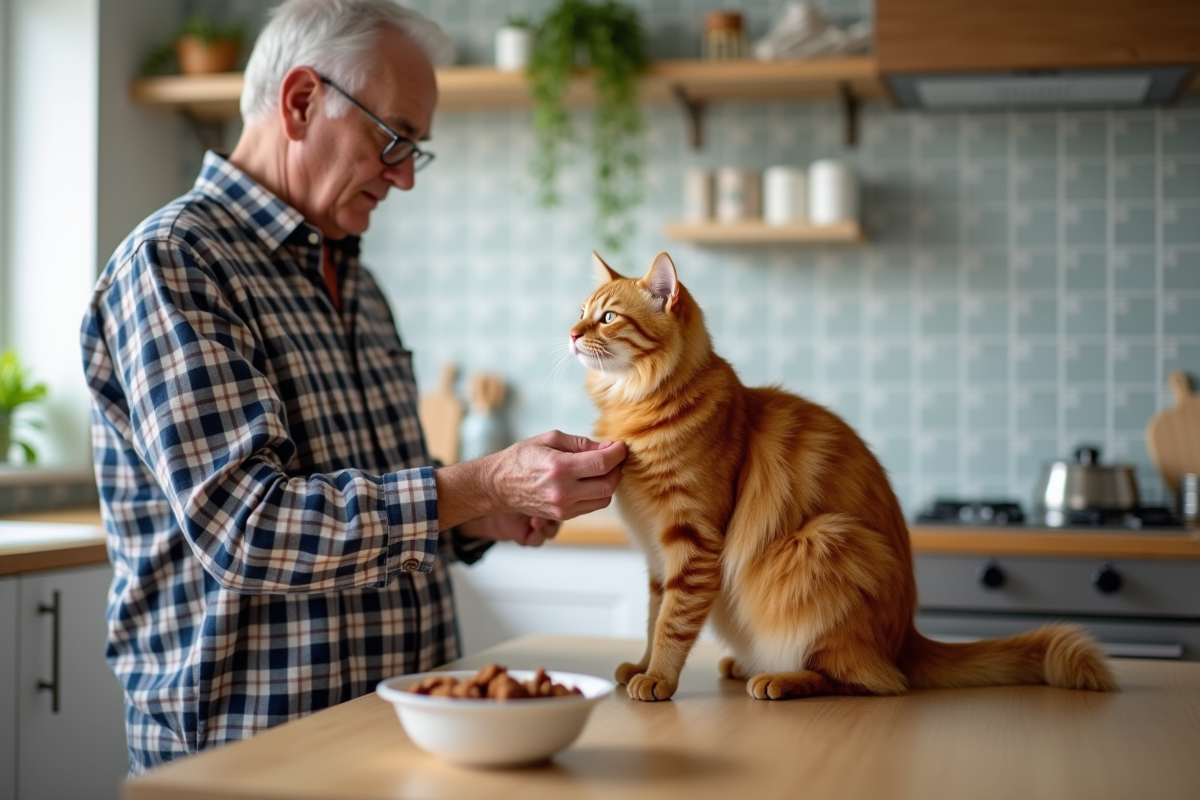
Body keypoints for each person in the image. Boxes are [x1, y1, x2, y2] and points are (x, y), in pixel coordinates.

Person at [79, 0, 625, 774]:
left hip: (402, 740)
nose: (403, 176)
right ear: (301, 102)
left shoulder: (355, 280)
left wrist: (485, 514)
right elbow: (249, 525)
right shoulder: (174, 263)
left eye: (416, 150)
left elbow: (372, 486)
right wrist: (485, 480)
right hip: (252, 763)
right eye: (394, 137)